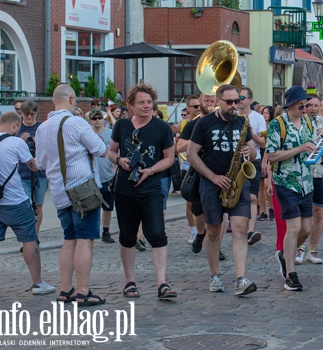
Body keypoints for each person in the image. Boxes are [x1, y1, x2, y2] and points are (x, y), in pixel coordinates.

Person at [36, 84, 107, 306]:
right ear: (71, 99)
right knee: (85, 240)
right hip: (82, 190)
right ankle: (83, 292)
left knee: (69, 240)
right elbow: (100, 149)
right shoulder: (76, 123)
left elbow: (39, 163)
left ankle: (66, 290)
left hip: (58, 191)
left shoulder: (42, 128)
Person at [187, 84, 259, 296]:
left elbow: (253, 152)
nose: (234, 105)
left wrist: (250, 151)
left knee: (240, 228)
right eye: (229, 102)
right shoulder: (204, 123)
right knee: (214, 230)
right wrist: (213, 177)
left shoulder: (242, 122)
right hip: (211, 182)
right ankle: (215, 275)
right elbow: (191, 154)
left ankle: (241, 279)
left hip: (238, 181)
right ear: (218, 101)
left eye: (237, 101)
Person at [108, 82, 177, 300]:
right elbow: (110, 152)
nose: (147, 106)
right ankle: (129, 281)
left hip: (152, 188)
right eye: (141, 102)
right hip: (125, 189)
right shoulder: (121, 126)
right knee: (127, 236)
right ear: (131, 104)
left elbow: (169, 158)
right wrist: (120, 160)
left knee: (157, 234)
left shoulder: (162, 127)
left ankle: (162, 283)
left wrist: (151, 170)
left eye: (149, 102)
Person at [0, 112, 56, 298]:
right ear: (15, 126)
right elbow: (34, 166)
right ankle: (37, 283)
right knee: (29, 239)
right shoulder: (17, 143)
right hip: (15, 200)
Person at [267, 86, 317, 291]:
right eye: (300, 104)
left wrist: (317, 146)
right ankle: (291, 274)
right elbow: (272, 155)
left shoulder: (308, 122)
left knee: (306, 229)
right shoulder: (277, 124)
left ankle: (284, 253)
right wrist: (299, 149)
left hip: (306, 181)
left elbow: (310, 147)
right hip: (286, 182)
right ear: (290, 105)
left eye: (305, 103)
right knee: (294, 228)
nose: (304, 107)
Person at [297, 95, 323, 265]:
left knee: (318, 212)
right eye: (309, 105)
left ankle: (313, 249)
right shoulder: (298, 121)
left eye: (315, 105)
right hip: (302, 171)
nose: (312, 108)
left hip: (320, 172)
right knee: (302, 211)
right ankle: (299, 247)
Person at [238, 86, 266, 245]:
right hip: (236, 160)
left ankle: (250, 231)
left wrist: (251, 133)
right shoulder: (233, 116)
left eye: (242, 98)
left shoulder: (258, 118)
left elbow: (263, 142)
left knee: (252, 197)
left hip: (253, 160)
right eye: (238, 98)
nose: (239, 101)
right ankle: (238, 226)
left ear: (250, 100)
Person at [17, 101, 48, 238]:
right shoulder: (17, 128)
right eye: (26, 114)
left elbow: (49, 150)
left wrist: (38, 144)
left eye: (32, 114)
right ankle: (28, 236)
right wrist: (20, 142)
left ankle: (34, 235)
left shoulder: (42, 128)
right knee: (26, 206)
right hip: (22, 173)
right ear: (21, 113)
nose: (29, 117)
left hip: (40, 173)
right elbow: (11, 150)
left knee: (38, 205)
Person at [88, 109, 116, 243]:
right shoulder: (87, 134)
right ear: (90, 120)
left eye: (99, 117)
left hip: (108, 175)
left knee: (108, 206)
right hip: (92, 178)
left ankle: (106, 231)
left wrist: (116, 165)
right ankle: (92, 232)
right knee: (92, 207)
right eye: (94, 118)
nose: (97, 120)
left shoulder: (110, 133)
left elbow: (117, 150)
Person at [179, 95, 202, 244]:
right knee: (190, 202)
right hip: (188, 164)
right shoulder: (187, 124)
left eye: (199, 105)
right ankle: (194, 230)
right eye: (195, 107)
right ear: (188, 108)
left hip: (204, 163)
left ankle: (204, 231)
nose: (198, 108)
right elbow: (179, 146)